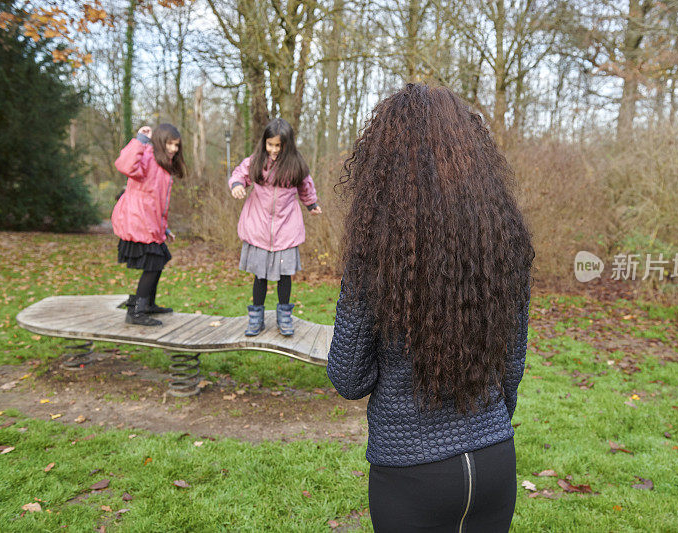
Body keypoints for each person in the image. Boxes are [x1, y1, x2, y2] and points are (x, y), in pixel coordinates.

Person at [327, 84, 535, 532]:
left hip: (411, 472)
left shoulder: (377, 250)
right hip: (495, 459)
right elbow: (511, 370)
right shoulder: (504, 240)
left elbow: (348, 376)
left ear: (383, 166)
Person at [228, 118, 322, 336]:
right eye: (270, 144)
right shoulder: (257, 161)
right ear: (265, 143)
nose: (273, 150)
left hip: (286, 228)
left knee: (284, 275)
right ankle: (256, 318)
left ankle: (284, 318)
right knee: (259, 276)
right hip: (258, 227)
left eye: (278, 145)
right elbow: (239, 174)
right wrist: (237, 186)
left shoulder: (296, 165)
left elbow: (306, 188)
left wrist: (312, 204)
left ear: (287, 145)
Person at [112, 124, 184, 326]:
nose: (173, 149)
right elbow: (125, 165)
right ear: (160, 142)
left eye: (176, 145)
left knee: (159, 261)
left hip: (150, 223)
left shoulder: (163, 165)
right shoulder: (146, 157)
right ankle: (136, 311)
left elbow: (158, 203)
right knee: (153, 264)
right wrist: (140, 140)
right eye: (169, 144)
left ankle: (148, 304)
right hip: (137, 221)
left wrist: (165, 228)